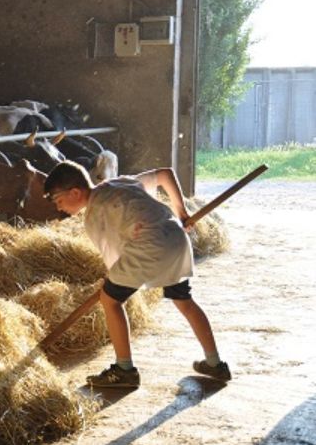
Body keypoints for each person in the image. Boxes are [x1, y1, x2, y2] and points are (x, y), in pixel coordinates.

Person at [43, 161, 231, 388]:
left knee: (110, 300)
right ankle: (215, 363)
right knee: (184, 301)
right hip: (175, 237)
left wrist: (110, 282)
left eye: (59, 201)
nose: (59, 208)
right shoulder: (120, 182)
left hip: (149, 245)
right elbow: (164, 173)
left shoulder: (94, 216)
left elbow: (113, 256)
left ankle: (124, 370)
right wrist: (181, 209)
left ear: (75, 192)